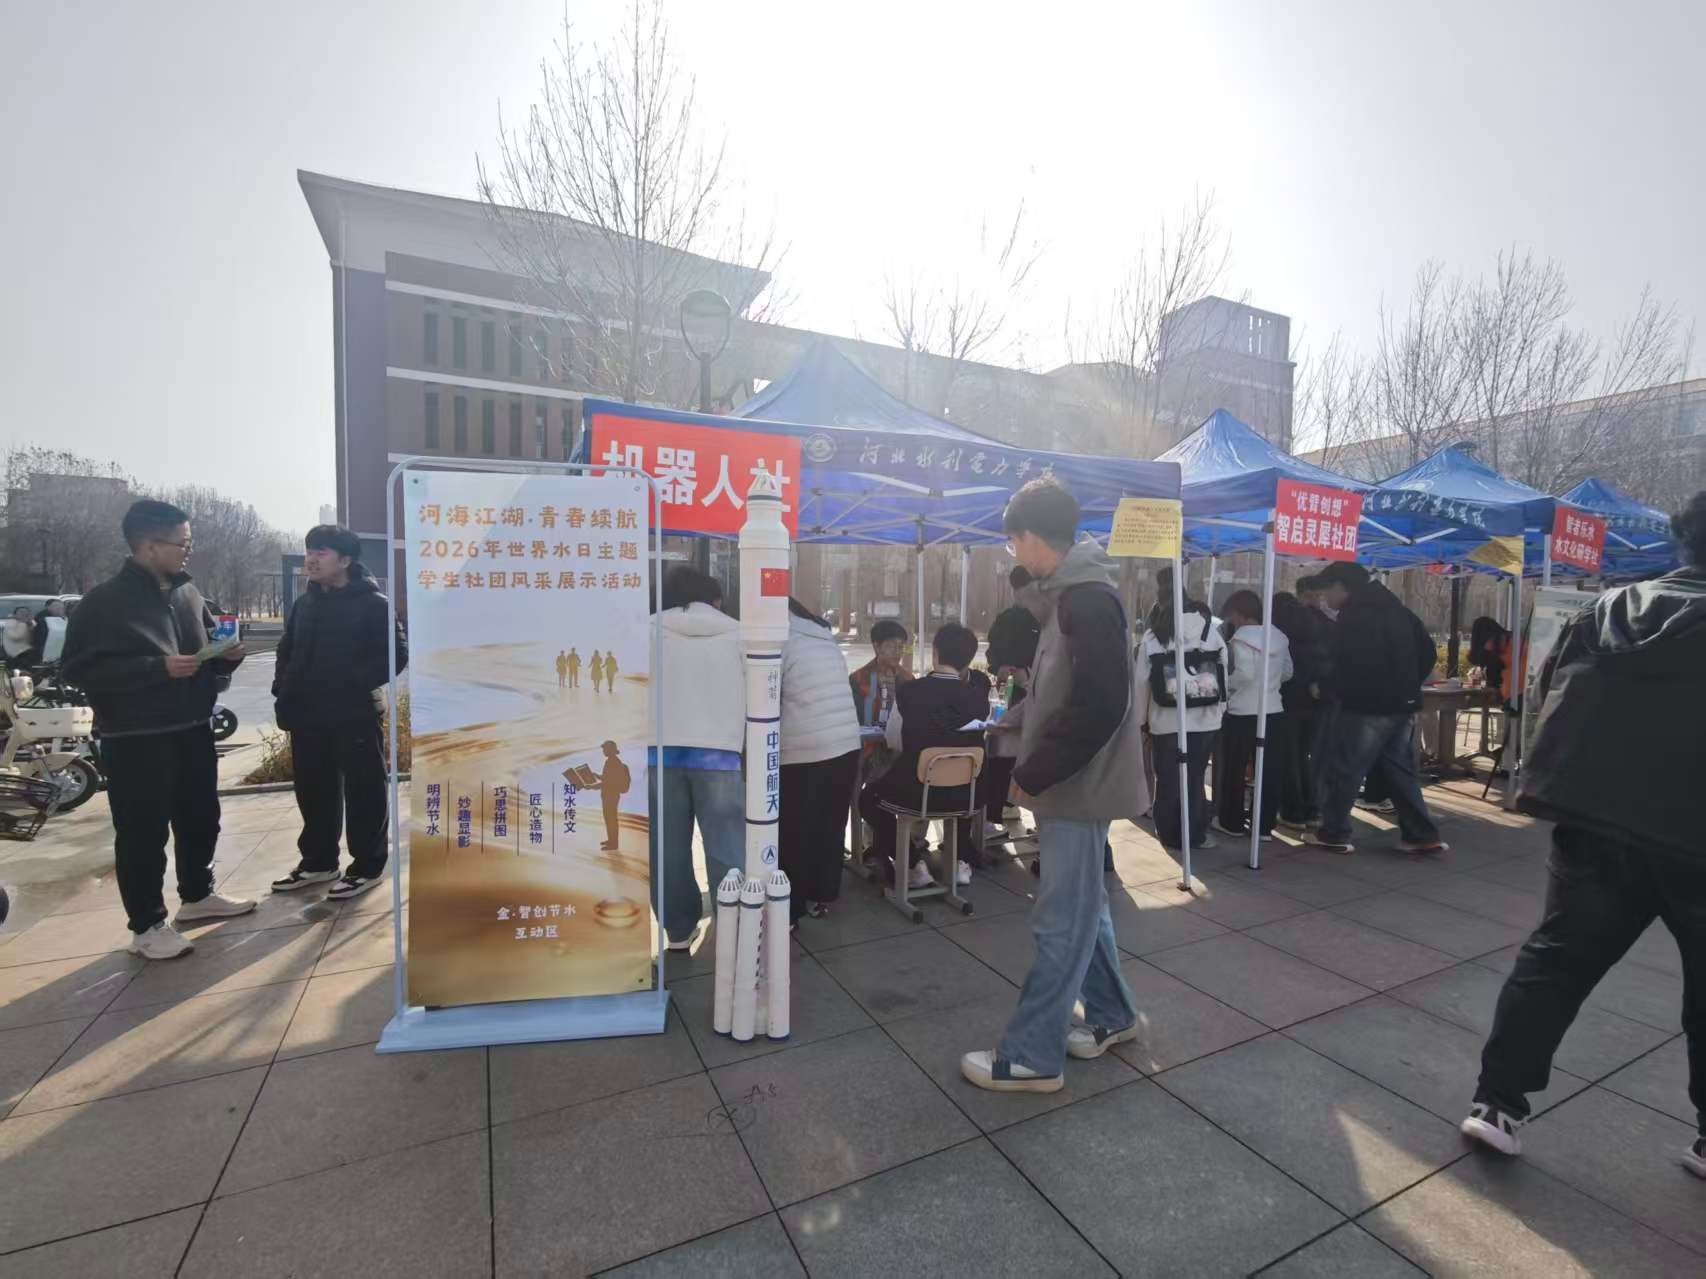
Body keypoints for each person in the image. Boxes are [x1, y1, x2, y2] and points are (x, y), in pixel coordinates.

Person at [1462, 491, 1706, 1181]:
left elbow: (1551, 693)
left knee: (1556, 962)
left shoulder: (1607, 610)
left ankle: (1497, 1103)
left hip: (1595, 822)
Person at [962, 477, 1145, 1093]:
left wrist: (1033, 773)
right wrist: (1016, 722)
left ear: (1032, 538)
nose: (1012, 552)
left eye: (1013, 542)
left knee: (1061, 919)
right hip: (1074, 783)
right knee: (1086, 910)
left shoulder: (1086, 600)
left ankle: (1032, 1055)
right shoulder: (1073, 595)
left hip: (1075, 787)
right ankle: (1114, 1014)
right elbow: (1061, 690)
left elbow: (1101, 703)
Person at [60, 499, 255, 959]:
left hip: (193, 727)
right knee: (143, 832)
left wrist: (227, 655)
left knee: (200, 816)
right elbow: (77, 670)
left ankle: (198, 896)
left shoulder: (189, 594)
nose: (188, 551)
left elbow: (208, 651)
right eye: (182, 543)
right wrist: (157, 667)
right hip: (137, 737)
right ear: (148, 545)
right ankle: (147, 925)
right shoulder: (104, 602)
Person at [268, 525, 409, 901]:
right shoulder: (305, 604)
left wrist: (347, 683)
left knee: (364, 791)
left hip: (353, 712)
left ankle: (367, 866)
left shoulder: (374, 604)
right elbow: (287, 649)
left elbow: (396, 656)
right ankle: (318, 862)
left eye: (321, 552)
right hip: (307, 715)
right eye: (309, 551)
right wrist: (283, 687)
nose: (311, 559)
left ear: (345, 560)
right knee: (313, 790)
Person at [1310, 562, 1446, 855]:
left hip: (1367, 705)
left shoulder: (1355, 616)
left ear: (1340, 587)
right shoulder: (1396, 608)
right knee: (1400, 771)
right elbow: (1427, 650)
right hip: (1402, 705)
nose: (1325, 600)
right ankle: (1421, 835)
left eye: (1326, 592)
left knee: (1346, 769)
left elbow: (1342, 662)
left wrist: (1332, 687)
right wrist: (1408, 685)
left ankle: (1334, 832)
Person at [649, 568, 744, 949]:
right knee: (727, 847)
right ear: (715, 599)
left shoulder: (647, 631)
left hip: (659, 754)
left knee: (667, 848)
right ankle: (734, 928)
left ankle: (677, 929)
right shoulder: (738, 633)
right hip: (721, 755)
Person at [859, 622, 989, 889]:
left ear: (935, 653)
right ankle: (957, 862)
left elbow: (893, 741)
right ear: (968, 661)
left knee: (868, 798)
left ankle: (912, 862)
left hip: (915, 793)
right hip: (966, 795)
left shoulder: (910, 691)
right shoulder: (979, 698)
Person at [779, 598, 862, 924]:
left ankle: (792, 907)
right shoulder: (824, 638)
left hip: (804, 749)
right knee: (830, 825)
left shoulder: (780, 638)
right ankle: (823, 894)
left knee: (795, 830)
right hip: (846, 744)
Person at [1134, 573, 1225, 852]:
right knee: (1195, 778)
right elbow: (1223, 674)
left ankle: (1170, 834)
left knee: (1167, 778)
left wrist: (1141, 721)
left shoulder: (1154, 637)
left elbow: (1141, 682)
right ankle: (1194, 834)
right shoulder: (1211, 632)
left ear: (1160, 603)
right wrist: (1220, 710)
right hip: (1205, 719)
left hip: (1166, 720)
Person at [1212, 590, 1293, 840]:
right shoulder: (1279, 637)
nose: (1231, 621)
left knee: (1235, 770)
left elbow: (1244, 675)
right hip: (1274, 710)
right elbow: (1288, 672)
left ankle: (1232, 822)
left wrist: (1227, 684)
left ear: (1239, 614)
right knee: (1268, 771)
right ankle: (1264, 826)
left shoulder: (1239, 641)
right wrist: (1269, 683)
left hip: (1242, 712)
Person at [982, 566, 1043, 836]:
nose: (1020, 595)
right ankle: (996, 813)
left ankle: (1040, 820)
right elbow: (992, 653)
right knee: (1000, 757)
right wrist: (999, 668)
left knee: (1032, 757)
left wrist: (1028, 675)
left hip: (1037, 694)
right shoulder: (1005, 619)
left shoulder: (1046, 620)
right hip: (1005, 695)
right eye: (1017, 590)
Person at [1273, 589, 1332, 830]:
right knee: (1307, 758)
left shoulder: (1280, 636)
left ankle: (1293, 812)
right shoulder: (1316, 630)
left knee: (1289, 758)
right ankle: (1313, 810)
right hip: (1316, 704)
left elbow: (1284, 673)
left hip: (1288, 702)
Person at [849, 619, 913, 739]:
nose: (897, 652)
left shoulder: (908, 679)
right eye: (891, 646)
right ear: (876, 647)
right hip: (866, 745)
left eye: (900, 646)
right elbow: (852, 720)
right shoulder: (858, 679)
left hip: (899, 745)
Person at [577, 741, 630, 851]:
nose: (603, 751)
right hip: (608, 795)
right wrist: (598, 776)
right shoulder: (611, 761)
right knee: (609, 818)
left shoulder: (613, 762)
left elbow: (607, 783)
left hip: (611, 795)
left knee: (611, 819)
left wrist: (591, 787)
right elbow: (607, 779)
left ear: (610, 750)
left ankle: (614, 844)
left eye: (605, 749)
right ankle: (611, 840)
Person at [2, 606, 33, 670]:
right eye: (21, 612)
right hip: (14, 654)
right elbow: (16, 636)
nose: (23, 614)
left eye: (26, 613)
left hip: (25, 652)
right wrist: (23, 624)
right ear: (15, 615)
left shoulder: (30, 623)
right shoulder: (11, 623)